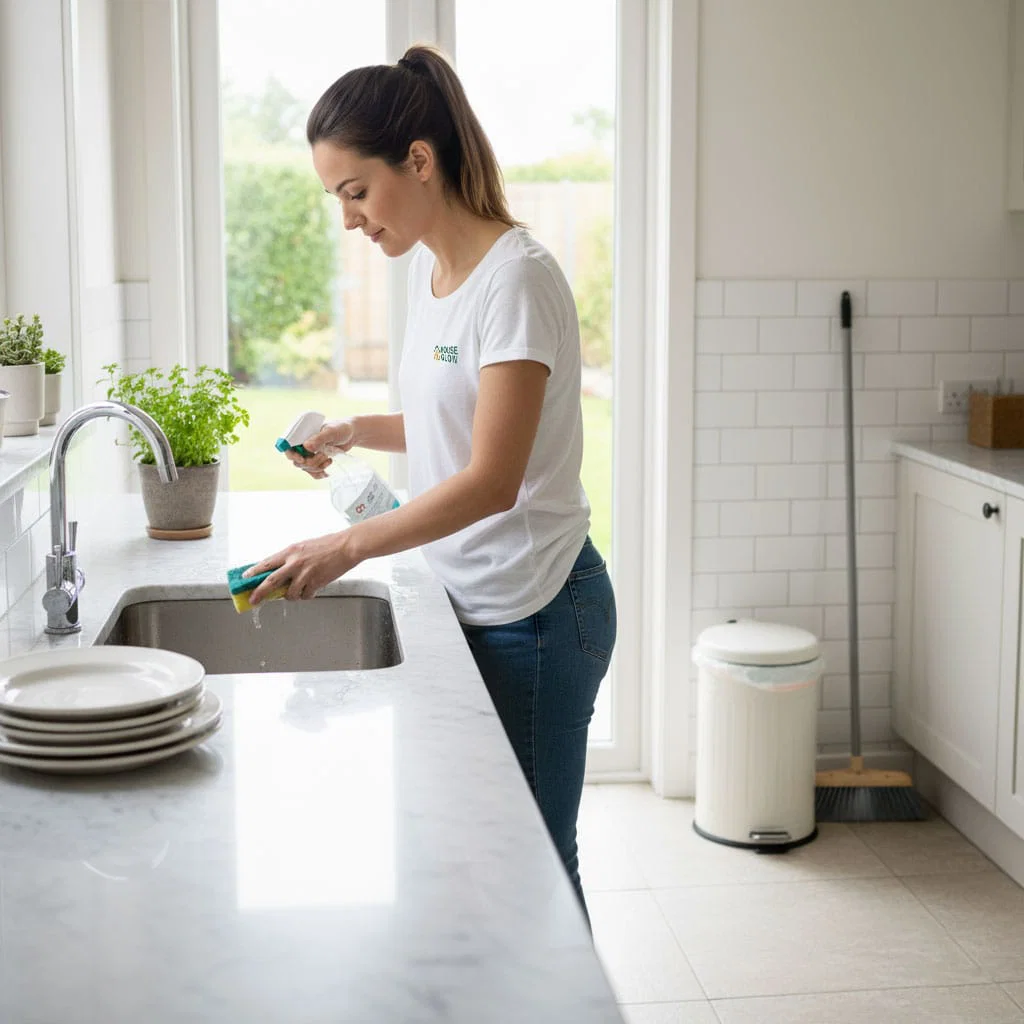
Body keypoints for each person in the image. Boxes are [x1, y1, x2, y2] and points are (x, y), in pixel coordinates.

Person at [244, 44, 616, 925]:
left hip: (537, 615)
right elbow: (460, 424)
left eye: (355, 192)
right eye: (336, 199)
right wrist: (353, 429)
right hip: (469, 604)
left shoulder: (516, 280)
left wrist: (344, 547)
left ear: (419, 160)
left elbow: (492, 478)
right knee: (470, 855)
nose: (347, 221)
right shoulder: (431, 273)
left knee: (532, 870)